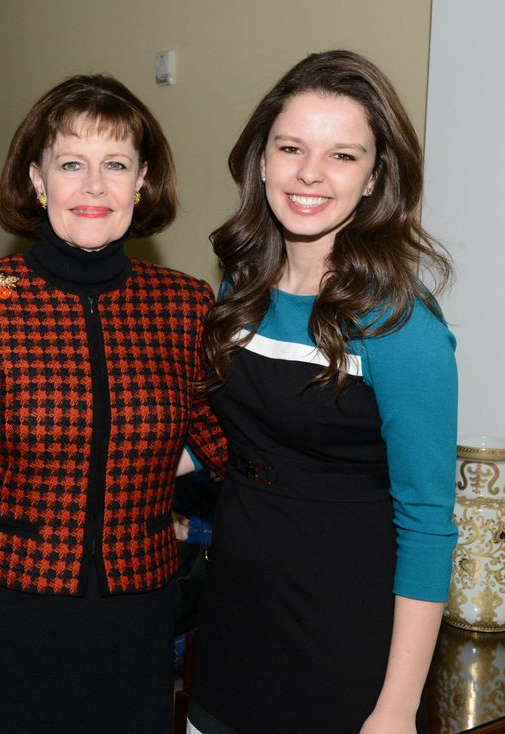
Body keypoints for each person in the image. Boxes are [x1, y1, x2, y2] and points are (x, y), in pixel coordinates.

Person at [0, 74, 227, 734]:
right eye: (72, 163)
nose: (94, 186)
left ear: (142, 181)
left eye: (116, 164)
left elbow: (233, 449)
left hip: (135, 627)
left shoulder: (185, 307)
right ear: (38, 179)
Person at [188, 50, 458, 734]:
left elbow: (427, 527)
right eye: (291, 148)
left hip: (343, 641)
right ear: (261, 161)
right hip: (230, 621)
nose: (310, 173)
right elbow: (228, 440)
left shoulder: (400, 324)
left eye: (342, 156)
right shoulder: (237, 291)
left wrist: (394, 710)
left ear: (374, 179)